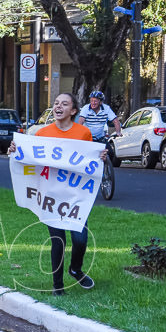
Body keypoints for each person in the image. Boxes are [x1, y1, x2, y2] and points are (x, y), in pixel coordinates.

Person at [13, 92, 104, 295]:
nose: (58, 107)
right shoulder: (42, 133)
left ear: (73, 111)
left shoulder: (83, 133)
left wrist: (101, 157)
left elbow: (90, 160)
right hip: (50, 196)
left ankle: (75, 269)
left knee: (80, 239)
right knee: (58, 240)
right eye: (56, 103)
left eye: (64, 104)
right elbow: (30, 161)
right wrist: (16, 151)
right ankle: (58, 286)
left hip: (75, 197)